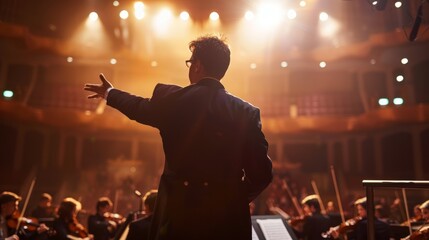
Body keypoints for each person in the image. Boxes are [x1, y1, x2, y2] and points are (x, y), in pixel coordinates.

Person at [84, 35, 273, 240]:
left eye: (190, 62)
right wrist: (233, 198)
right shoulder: (246, 112)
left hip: (179, 217)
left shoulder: (174, 100)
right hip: (227, 222)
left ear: (198, 65)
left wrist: (110, 93)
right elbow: (262, 173)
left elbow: (139, 107)